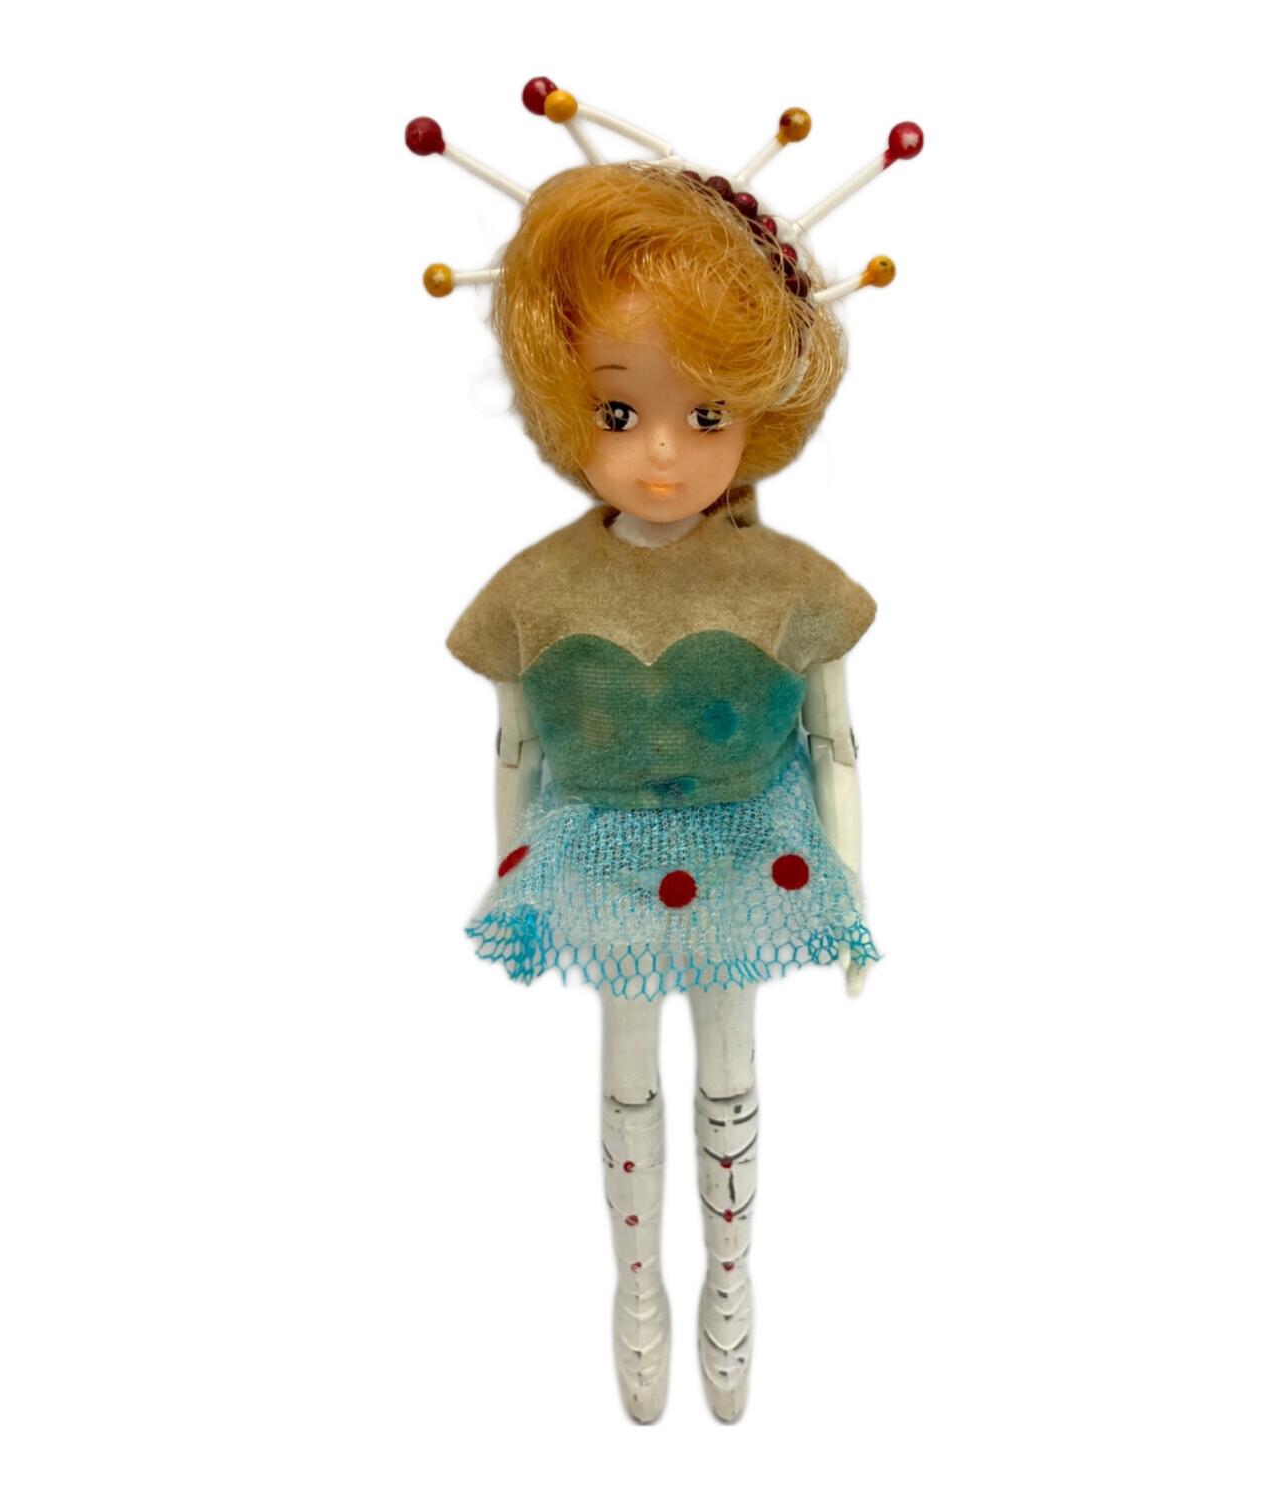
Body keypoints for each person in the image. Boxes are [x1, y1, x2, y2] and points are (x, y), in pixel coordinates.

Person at [410, 92, 922, 1422]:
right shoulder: (536, 589)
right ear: (558, 399)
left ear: (763, 411)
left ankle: (730, 1286)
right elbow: (514, 746)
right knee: (626, 1071)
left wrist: (855, 890)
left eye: (705, 415)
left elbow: (838, 740)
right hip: (596, 850)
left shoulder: (791, 584)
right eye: (618, 408)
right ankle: (639, 1286)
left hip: (752, 847)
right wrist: (512, 878)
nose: (656, 456)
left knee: (731, 1070)